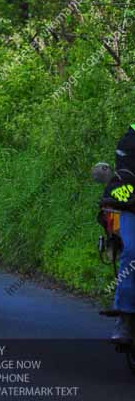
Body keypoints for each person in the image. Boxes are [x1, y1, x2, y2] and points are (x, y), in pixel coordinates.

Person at [102, 121, 135, 343]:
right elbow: (124, 176)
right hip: (134, 207)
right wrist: (126, 196)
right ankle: (125, 316)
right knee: (132, 252)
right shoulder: (129, 140)